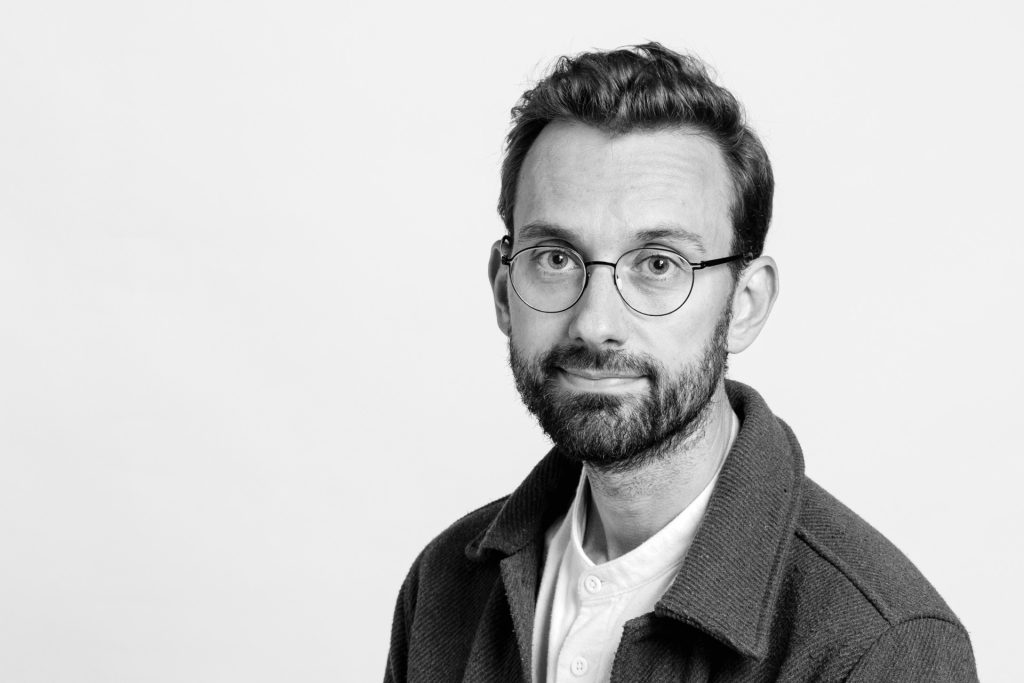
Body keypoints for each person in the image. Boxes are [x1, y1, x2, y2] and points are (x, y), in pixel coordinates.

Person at [384, 43, 978, 682]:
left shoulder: (880, 647)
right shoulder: (444, 585)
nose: (596, 323)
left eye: (658, 264)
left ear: (745, 304)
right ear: (505, 292)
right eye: (556, 258)